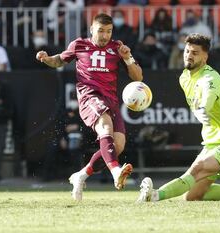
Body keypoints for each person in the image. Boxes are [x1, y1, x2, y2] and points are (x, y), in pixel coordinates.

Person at [137, 33, 220, 203]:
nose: (189, 56)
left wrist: (202, 109)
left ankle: (154, 196)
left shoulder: (211, 78)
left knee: (196, 169)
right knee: (193, 196)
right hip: (211, 142)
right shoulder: (184, 78)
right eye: (187, 51)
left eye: (195, 53)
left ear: (205, 57)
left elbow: (208, 96)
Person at [36, 13, 143, 200]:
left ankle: (81, 175)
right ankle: (116, 171)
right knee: (105, 125)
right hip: (89, 97)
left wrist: (127, 58)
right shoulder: (79, 45)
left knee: (117, 146)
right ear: (92, 29)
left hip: (111, 100)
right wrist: (46, 59)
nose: (105, 36)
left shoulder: (118, 47)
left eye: (109, 31)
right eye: (101, 31)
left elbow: (138, 77)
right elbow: (59, 60)